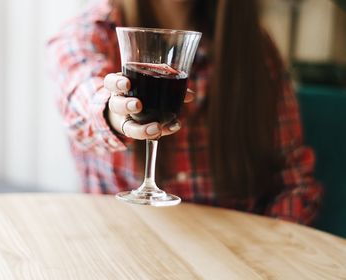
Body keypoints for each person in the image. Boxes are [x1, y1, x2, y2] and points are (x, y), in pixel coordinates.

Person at [47, 0, 323, 225]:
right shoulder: (89, 32)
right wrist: (113, 110)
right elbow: (80, 98)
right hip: (124, 246)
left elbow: (293, 180)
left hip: (232, 255)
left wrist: (264, 253)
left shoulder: (254, 49)